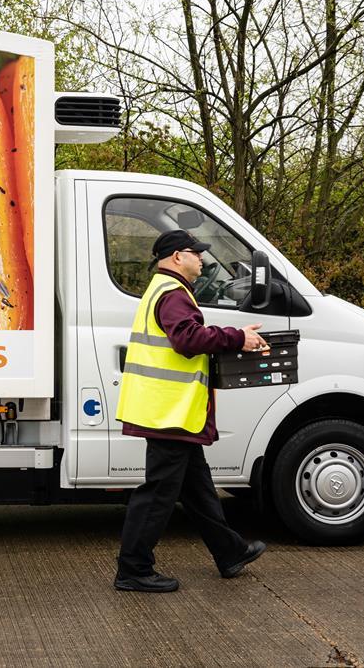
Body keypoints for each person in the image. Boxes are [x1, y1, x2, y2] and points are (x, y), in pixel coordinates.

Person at [113, 229, 268, 593]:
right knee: (158, 494)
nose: (202, 259)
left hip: (172, 412)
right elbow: (186, 339)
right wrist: (236, 338)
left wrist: (233, 334)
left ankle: (230, 552)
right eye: (197, 253)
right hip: (167, 411)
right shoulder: (172, 293)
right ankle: (133, 569)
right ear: (178, 256)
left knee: (198, 489)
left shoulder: (165, 290)